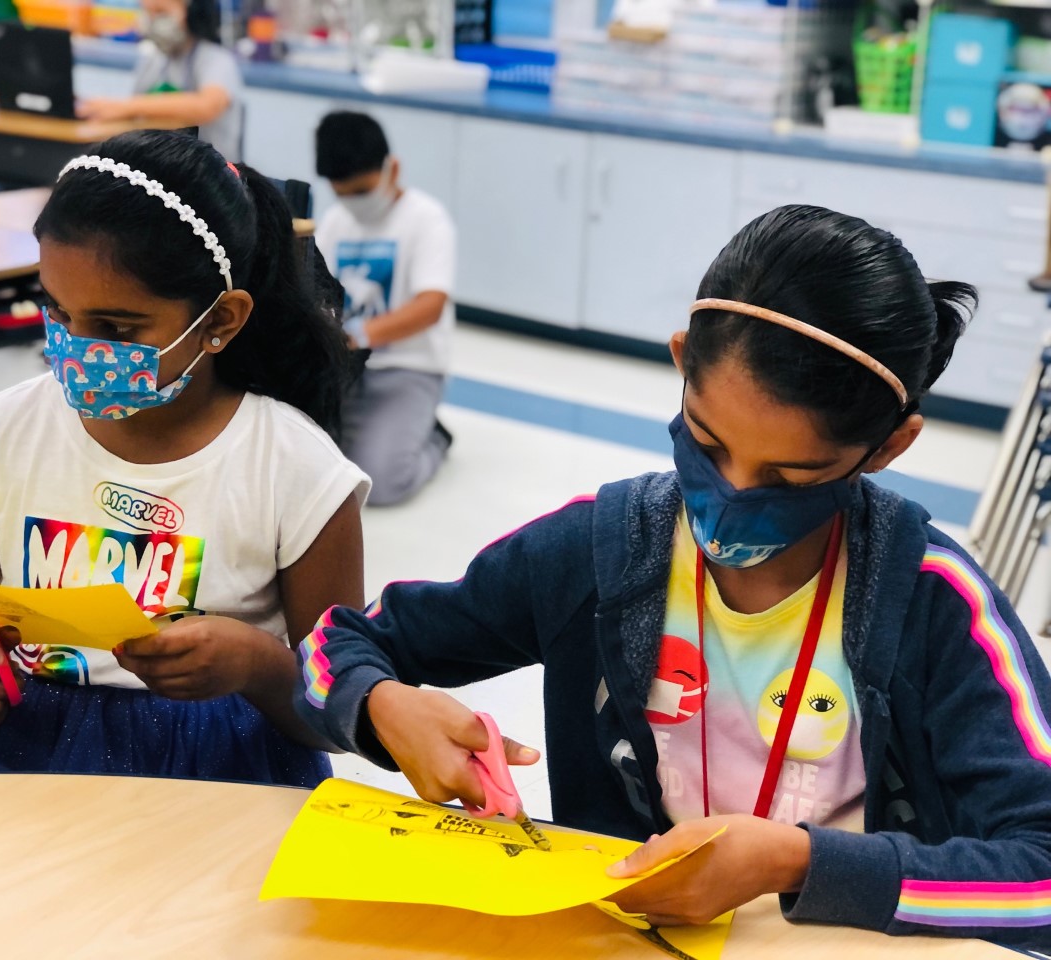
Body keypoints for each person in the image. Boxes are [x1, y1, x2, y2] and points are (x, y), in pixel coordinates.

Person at [293, 205, 1051, 945]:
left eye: (789, 478)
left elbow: (1041, 873)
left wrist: (797, 861)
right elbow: (334, 643)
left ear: (888, 448)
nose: (731, 497)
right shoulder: (598, 551)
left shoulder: (931, 601)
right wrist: (382, 704)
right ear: (682, 360)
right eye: (706, 442)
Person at [0, 130, 368, 785]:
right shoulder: (1, 434)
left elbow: (341, 707)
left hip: (222, 774)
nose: (74, 347)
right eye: (55, 311)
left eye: (117, 330)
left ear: (221, 321)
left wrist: (254, 664)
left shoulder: (295, 469)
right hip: (23, 759)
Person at [314, 111, 456, 506]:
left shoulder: (427, 219)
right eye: (343, 193)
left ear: (392, 168)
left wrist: (357, 336)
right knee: (315, 465)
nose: (353, 204)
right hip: (345, 368)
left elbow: (430, 306)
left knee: (380, 483)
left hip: (407, 368)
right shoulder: (336, 221)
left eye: (362, 190)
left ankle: (434, 438)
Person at [77, 0, 244, 162]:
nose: (153, 19)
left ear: (193, 12)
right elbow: (135, 115)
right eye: (148, 11)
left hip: (211, 173)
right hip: (165, 165)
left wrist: (126, 107)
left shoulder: (216, 59)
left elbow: (208, 105)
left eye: (161, 12)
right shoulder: (153, 60)